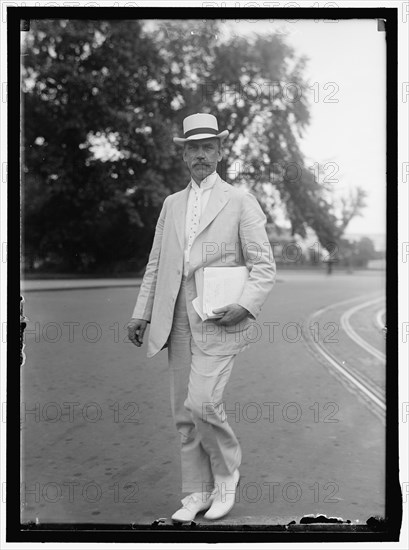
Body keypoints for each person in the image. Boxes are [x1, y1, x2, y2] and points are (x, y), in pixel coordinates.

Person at [127, 113, 276, 522]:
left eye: (208, 147)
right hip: (175, 320)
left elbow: (264, 266)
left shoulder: (241, 201)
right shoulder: (171, 204)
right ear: (184, 155)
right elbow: (157, 264)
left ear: (220, 151)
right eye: (193, 148)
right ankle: (196, 493)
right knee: (184, 413)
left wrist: (245, 305)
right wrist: (142, 312)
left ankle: (227, 477)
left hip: (220, 319)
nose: (200, 155)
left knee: (204, 403)